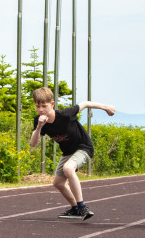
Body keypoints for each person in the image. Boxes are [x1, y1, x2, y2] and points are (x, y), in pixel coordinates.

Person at [30, 88, 115, 220]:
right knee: (58, 183)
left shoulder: (65, 114)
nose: (40, 109)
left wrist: (106, 107)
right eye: (37, 106)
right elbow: (33, 143)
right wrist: (39, 127)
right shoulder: (38, 120)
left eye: (44, 106)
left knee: (68, 168)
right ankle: (75, 208)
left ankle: (82, 207)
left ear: (52, 104)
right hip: (68, 152)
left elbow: (85, 103)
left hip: (83, 147)